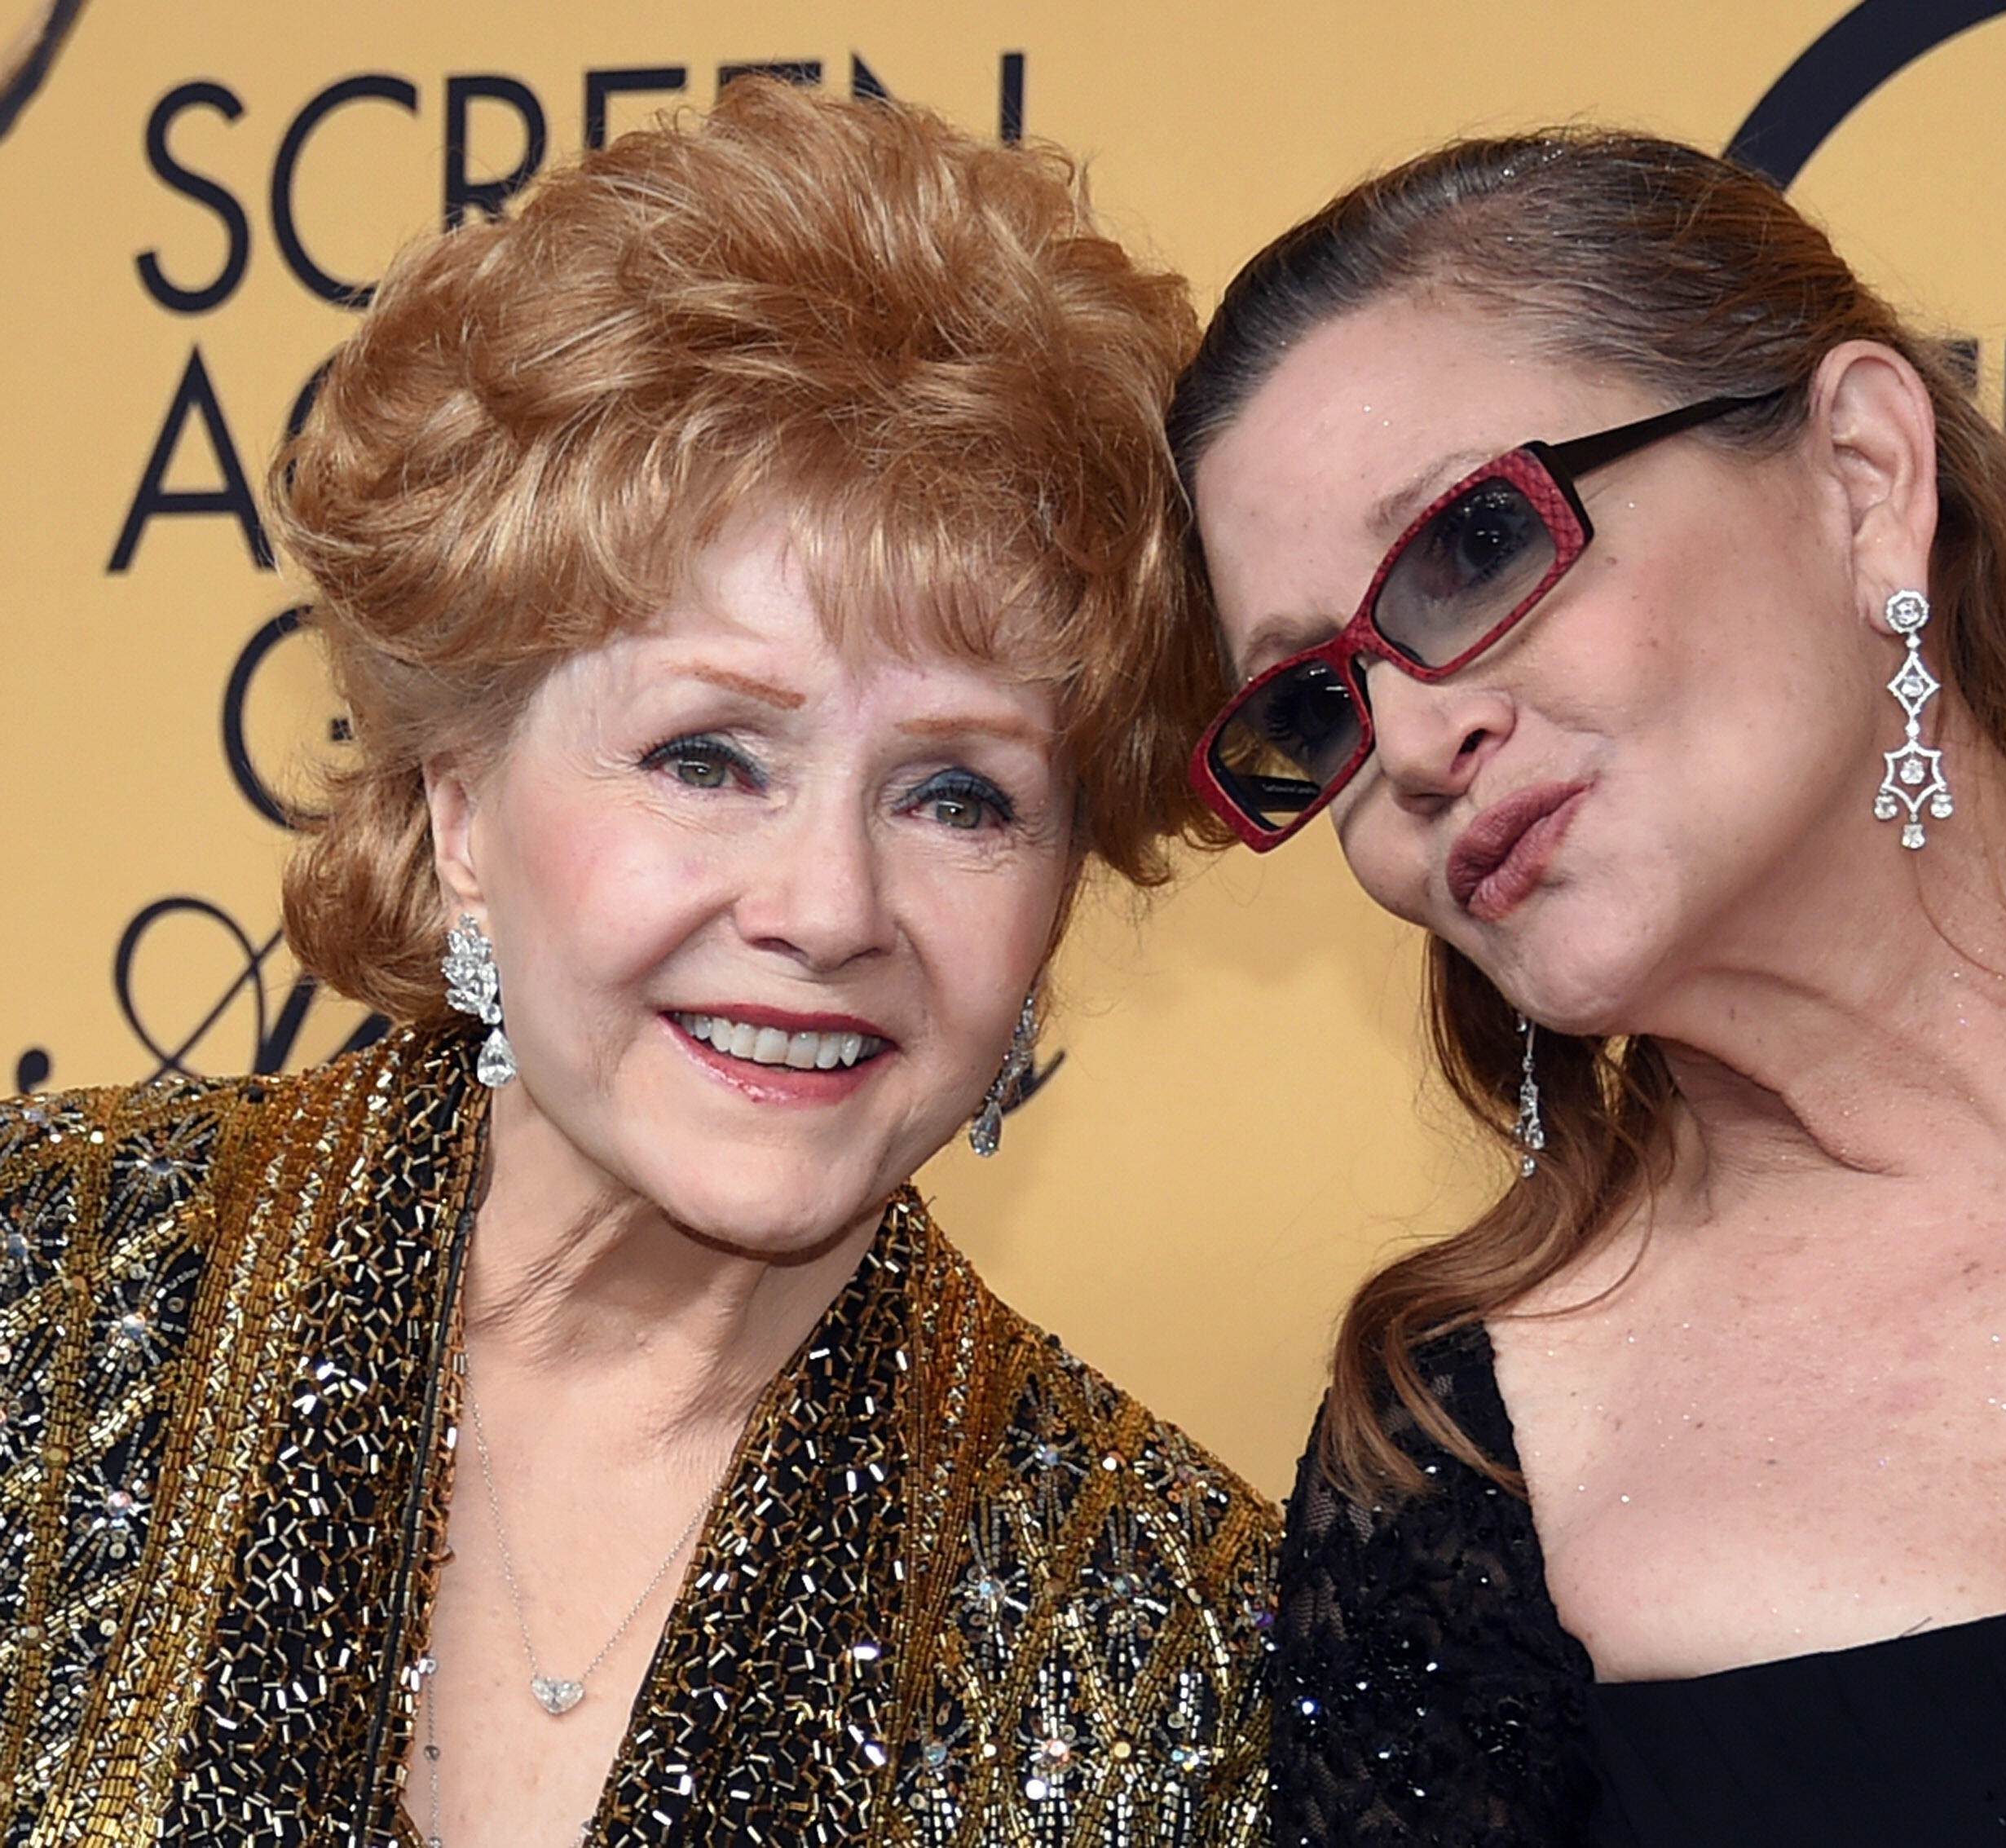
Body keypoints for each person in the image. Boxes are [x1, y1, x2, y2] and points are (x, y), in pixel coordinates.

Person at [0, 80, 1274, 1847]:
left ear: (1060, 890)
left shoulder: (1170, 1644)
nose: (827, 906)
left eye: (958, 795)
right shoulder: (45, 1287)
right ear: (459, 806)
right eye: (708, 758)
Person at [1163, 127, 2006, 1846]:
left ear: (1863, 472)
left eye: (1472, 547)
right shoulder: (1452, 1466)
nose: (1405, 744)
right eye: (1313, 702)